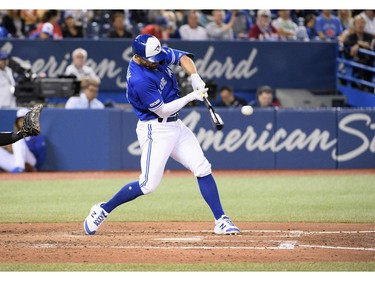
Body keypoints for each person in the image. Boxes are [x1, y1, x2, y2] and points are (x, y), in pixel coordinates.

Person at [83, 34, 240, 236]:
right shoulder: (139, 79)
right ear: (138, 57)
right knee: (148, 185)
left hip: (176, 126)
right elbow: (163, 110)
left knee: (202, 167)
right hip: (155, 129)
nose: (157, 63)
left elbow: (184, 58)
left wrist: (195, 77)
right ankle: (103, 210)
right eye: (151, 61)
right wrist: (192, 96)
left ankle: (221, 219)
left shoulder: (154, 54)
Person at [0, 108, 46, 173]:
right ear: (17, 122)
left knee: (18, 140)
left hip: (30, 162)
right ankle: (18, 168)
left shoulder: (36, 135)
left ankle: (20, 167)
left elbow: (41, 154)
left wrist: (36, 167)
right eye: (20, 121)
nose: (22, 123)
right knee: (9, 137)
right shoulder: (14, 133)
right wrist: (7, 147)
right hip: (15, 162)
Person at [343, 15, 374, 92]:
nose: (361, 25)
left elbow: (368, 45)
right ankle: (360, 86)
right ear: (354, 25)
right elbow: (346, 43)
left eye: (362, 23)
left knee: (368, 65)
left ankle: (368, 88)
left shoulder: (369, 36)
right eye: (358, 23)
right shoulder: (351, 36)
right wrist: (358, 43)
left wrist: (358, 45)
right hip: (354, 61)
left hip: (367, 61)